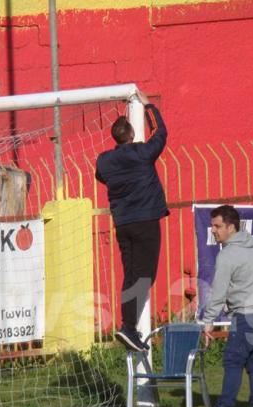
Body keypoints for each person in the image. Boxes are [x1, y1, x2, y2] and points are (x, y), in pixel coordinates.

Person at [95, 90, 168, 351]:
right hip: (146, 220)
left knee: (131, 275)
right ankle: (128, 327)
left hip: (123, 223)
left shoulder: (104, 160)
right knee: (145, 276)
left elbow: (101, 177)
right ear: (133, 134)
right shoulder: (142, 153)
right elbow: (161, 132)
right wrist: (149, 107)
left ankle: (128, 327)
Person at [202, 205, 253, 407]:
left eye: (217, 226)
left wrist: (208, 322)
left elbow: (218, 293)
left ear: (231, 227)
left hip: (249, 314)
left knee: (233, 361)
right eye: (212, 226)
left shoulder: (227, 255)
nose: (213, 230)